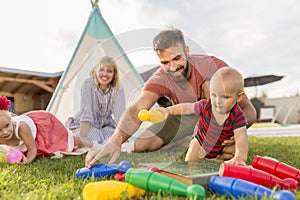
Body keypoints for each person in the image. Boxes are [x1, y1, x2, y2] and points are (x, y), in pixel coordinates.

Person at [85, 28, 256, 167]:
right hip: (183, 115)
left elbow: (248, 109)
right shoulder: (160, 78)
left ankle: (206, 140)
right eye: (165, 62)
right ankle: (187, 141)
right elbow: (138, 108)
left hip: (213, 117)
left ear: (186, 51)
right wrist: (116, 140)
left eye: (177, 58)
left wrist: (235, 131)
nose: (173, 67)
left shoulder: (212, 65)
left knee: (211, 82)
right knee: (141, 145)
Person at [157, 67, 248, 165]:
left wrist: (240, 157)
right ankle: (202, 158)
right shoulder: (206, 106)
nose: (218, 101)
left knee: (233, 149)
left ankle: (218, 158)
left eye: (225, 97)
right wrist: (168, 110)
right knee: (190, 162)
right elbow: (187, 108)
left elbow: (241, 137)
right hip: (201, 143)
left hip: (221, 147)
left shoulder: (237, 116)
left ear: (239, 97)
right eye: (214, 95)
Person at [65, 56, 125, 148]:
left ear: (114, 74)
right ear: (96, 70)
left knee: (113, 137)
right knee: (94, 137)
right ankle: (90, 143)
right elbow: (86, 112)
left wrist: (125, 139)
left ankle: (95, 144)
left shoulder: (117, 88)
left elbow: (120, 115)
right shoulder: (88, 84)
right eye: (101, 70)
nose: (105, 74)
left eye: (109, 71)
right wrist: (82, 138)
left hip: (105, 126)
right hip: (88, 125)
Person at [0, 96, 75, 164]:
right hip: (27, 135)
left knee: (65, 141)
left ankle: (81, 140)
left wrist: (27, 161)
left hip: (44, 124)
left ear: (11, 120)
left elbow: (32, 149)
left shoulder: (21, 127)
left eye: (7, 125)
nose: (5, 132)